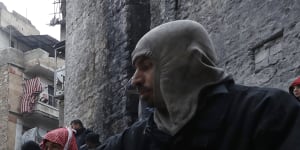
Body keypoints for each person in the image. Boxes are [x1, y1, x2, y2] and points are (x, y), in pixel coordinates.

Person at [97, 20, 300, 150]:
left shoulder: (267, 113)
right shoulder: (138, 138)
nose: (135, 80)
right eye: (136, 69)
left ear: (185, 62)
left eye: (146, 66)